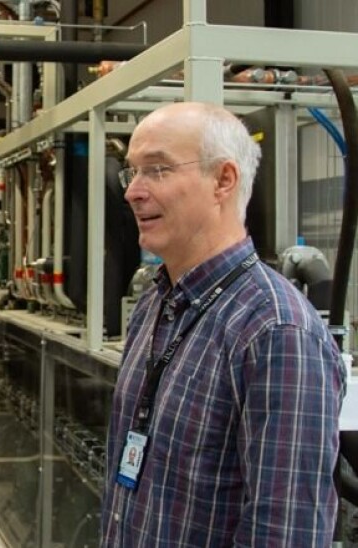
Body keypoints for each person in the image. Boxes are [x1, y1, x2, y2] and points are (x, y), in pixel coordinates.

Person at [100, 102, 344, 546]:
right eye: (132, 172)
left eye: (156, 170)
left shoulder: (276, 332)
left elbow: (286, 534)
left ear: (223, 180)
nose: (133, 191)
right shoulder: (156, 301)